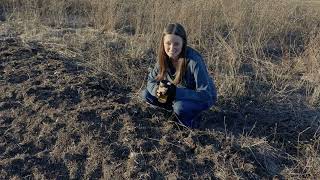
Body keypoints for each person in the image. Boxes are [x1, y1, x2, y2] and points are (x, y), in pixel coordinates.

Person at [141, 23, 217, 128]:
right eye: (168, 43)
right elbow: (151, 81)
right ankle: (172, 113)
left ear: (183, 43)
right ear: (163, 43)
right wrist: (158, 92)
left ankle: (192, 121)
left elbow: (206, 94)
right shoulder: (164, 58)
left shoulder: (194, 61)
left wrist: (175, 93)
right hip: (177, 95)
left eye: (176, 44)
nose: (171, 48)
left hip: (200, 98)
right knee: (146, 94)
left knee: (180, 107)